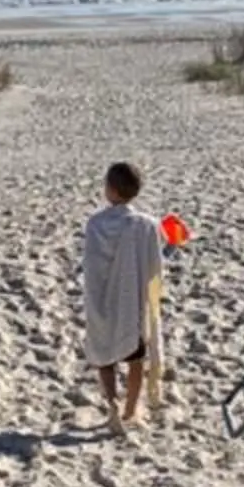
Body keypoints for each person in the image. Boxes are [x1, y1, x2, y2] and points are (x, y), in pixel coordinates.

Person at [82, 159, 166, 430]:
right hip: (133, 302)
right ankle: (131, 410)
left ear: (111, 190)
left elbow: (92, 266)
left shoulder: (95, 224)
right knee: (135, 359)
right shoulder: (147, 225)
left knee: (103, 356)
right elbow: (155, 266)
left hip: (104, 300)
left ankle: (112, 406)